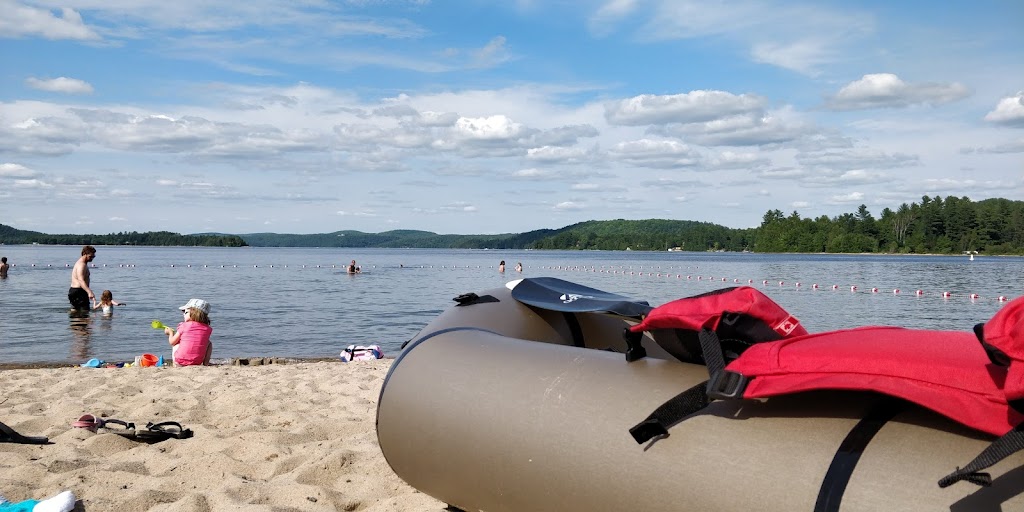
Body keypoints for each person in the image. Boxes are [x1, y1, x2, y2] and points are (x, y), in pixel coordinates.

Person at [165, 298, 213, 366]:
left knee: (177, 344)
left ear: (194, 313)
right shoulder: (207, 329)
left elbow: (172, 342)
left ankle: (175, 365)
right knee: (209, 343)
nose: (183, 314)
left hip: (180, 361)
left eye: (186, 312)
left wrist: (170, 333)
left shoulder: (184, 326)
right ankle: (206, 363)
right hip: (197, 362)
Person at [68, 246, 96, 312]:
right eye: (90, 256)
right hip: (79, 291)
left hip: (75, 291)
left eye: (93, 256)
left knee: (75, 313)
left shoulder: (81, 263)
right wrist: (89, 292)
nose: (92, 258)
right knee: (84, 313)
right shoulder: (81, 265)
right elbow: (81, 280)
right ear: (84, 254)